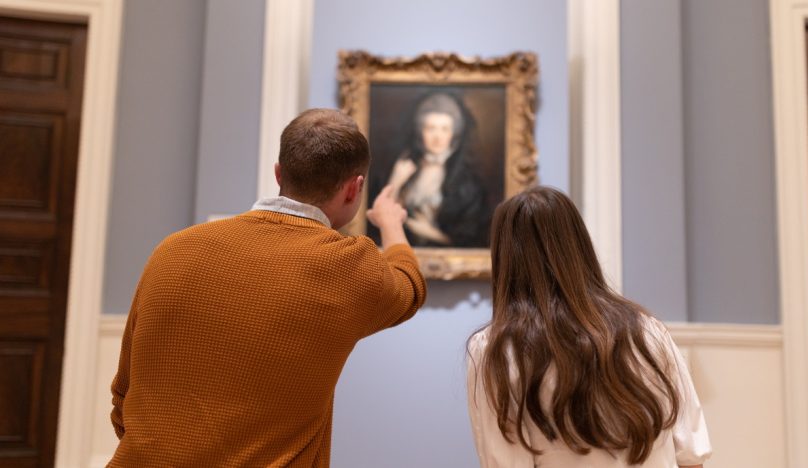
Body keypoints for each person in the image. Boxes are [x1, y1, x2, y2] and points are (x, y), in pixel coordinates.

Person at [108, 109, 426, 467]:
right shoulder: (349, 267)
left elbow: (124, 394)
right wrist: (390, 223)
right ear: (354, 188)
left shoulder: (173, 249)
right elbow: (410, 287)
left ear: (279, 173)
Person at [466, 187, 711, 468]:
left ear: (504, 258)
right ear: (578, 246)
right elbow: (691, 456)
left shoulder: (495, 349)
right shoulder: (647, 331)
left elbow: (506, 464)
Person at [385, 92, 488, 247]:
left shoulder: (467, 181)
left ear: (453, 134)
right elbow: (384, 217)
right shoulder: (407, 169)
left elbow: (470, 239)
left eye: (444, 129)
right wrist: (395, 181)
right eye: (431, 128)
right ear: (421, 132)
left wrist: (430, 232)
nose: (437, 137)